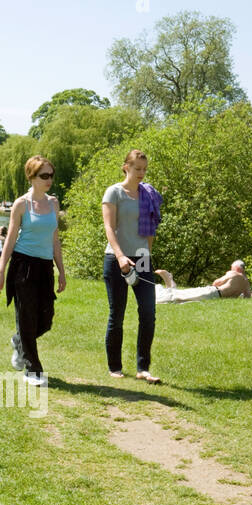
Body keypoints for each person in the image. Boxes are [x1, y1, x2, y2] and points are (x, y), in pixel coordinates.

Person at [0, 155, 65, 386]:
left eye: (51, 175)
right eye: (44, 176)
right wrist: (0, 270)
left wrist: (61, 271)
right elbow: (11, 238)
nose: (49, 180)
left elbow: (55, 239)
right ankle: (33, 371)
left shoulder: (53, 203)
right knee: (26, 318)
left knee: (45, 320)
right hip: (23, 265)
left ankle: (18, 341)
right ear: (31, 177)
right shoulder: (21, 204)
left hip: (45, 267)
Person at [102, 149, 163, 382]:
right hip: (116, 258)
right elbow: (109, 227)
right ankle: (114, 367)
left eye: (144, 169)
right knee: (117, 314)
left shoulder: (148, 194)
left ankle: (143, 368)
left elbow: (151, 228)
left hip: (142, 257)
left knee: (148, 312)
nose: (141, 173)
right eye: (137, 168)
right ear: (126, 167)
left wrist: (147, 254)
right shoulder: (114, 192)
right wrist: (119, 256)